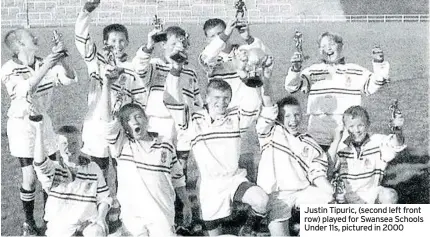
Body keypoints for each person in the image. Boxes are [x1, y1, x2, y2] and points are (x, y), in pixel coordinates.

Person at [164, 67, 269, 235]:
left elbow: (252, 105)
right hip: (210, 185)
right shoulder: (194, 119)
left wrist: (249, 80)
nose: (222, 102)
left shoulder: (235, 118)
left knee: (262, 200)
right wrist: (175, 72)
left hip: (234, 178)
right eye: (217, 98)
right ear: (206, 97)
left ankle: (248, 228)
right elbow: (170, 100)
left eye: (226, 98)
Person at [98, 65, 192, 236]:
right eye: (127, 119)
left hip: (162, 214)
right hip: (133, 217)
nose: (134, 121)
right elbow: (107, 121)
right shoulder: (122, 145)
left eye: (138, 116)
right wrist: (107, 85)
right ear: (124, 127)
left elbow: (178, 178)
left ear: (146, 119)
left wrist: (186, 203)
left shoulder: (166, 144)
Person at [1, 28, 77, 235]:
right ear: (19, 45)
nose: (35, 37)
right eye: (29, 37)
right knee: (30, 177)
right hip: (22, 126)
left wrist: (62, 59)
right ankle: (28, 222)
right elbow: (26, 89)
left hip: (44, 123)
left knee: (51, 172)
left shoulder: (43, 61)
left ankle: (49, 219)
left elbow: (69, 79)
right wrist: (48, 65)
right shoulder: (8, 69)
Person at [284, 32, 390, 154]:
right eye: (323, 46)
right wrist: (295, 70)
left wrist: (379, 63)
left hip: (346, 134)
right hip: (318, 133)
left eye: (331, 44)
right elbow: (291, 87)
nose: (327, 48)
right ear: (319, 50)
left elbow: (375, 84)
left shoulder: (355, 70)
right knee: (317, 168)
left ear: (341, 47)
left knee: (345, 168)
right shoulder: (312, 72)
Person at [75, 0, 145, 179]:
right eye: (113, 40)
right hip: (97, 125)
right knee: (99, 172)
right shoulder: (96, 63)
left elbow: (140, 99)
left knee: (123, 170)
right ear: (105, 42)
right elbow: (82, 40)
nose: (118, 44)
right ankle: (101, 206)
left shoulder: (131, 68)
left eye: (122, 40)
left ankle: (124, 206)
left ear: (128, 42)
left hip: (122, 126)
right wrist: (85, 13)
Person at [256, 76, 333, 236]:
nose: (293, 120)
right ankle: (262, 224)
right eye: (288, 116)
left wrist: (331, 191)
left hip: (302, 191)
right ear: (279, 118)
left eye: (297, 115)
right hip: (277, 196)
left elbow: (316, 171)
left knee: (328, 200)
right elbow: (268, 106)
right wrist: (266, 80)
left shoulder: (309, 142)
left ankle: (304, 229)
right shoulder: (270, 133)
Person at [199, 17, 273, 181]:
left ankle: (249, 202)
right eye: (213, 36)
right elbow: (206, 58)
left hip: (245, 115)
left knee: (246, 161)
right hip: (221, 117)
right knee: (223, 164)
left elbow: (266, 58)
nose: (219, 38)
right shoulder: (210, 56)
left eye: (222, 32)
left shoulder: (243, 51)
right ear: (207, 39)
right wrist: (224, 35)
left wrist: (248, 38)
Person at [32, 122, 112, 237]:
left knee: (97, 231)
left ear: (82, 144)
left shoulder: (93, 168)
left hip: (87, 225)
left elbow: (104, 198)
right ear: (57, 145)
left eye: (74, 143)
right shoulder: (54, 169)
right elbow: (40, 162)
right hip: (60, 227)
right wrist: (39, 128)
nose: (69, 147)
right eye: (64, 143)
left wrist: (100, 218)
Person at [132, 25, 203, 152]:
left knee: (181, 163)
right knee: (159, 159)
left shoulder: (190, 71)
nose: (177, 47)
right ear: (163, 44)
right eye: (173, 43)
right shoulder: (155, 65)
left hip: (182, 124)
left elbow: (196, 99)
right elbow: (139, 68)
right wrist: (149, 46)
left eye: (181, 43)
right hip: (158, 121)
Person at [328, 105, 406, 204]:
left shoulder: (377, 141)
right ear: (345, 128)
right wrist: (336, 141)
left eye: (360, 125)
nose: (356, 130)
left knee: (390, 195)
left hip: (370, 195)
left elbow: (396, 144)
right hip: (346, 198)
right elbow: (328, 168)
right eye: (351, 126)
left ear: (368, 124)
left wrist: (398, 131)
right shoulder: (341, 147)